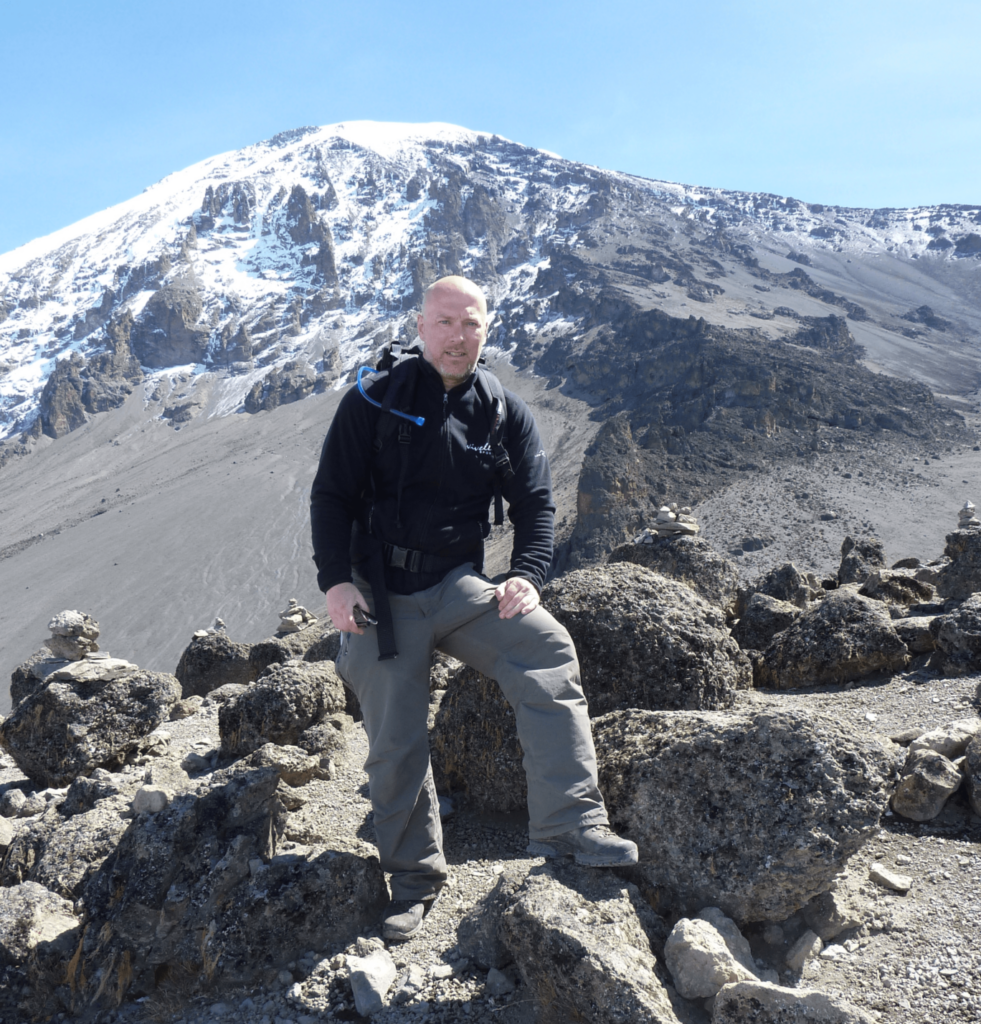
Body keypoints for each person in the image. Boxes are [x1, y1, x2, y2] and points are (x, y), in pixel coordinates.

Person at [310, 275, 637, 942]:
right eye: (445, 323)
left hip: (458, 587)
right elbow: (331, 496)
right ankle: (414, 881)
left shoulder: (501, 411)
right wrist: (336, 583)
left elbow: (535, 505)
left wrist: (527, 576)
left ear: (487, 329)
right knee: (395, 743)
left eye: (471, 324)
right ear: (421, 326)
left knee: (546, 651)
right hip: (381, 598)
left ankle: (571, 827)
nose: (458, 336)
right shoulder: (371, 401)